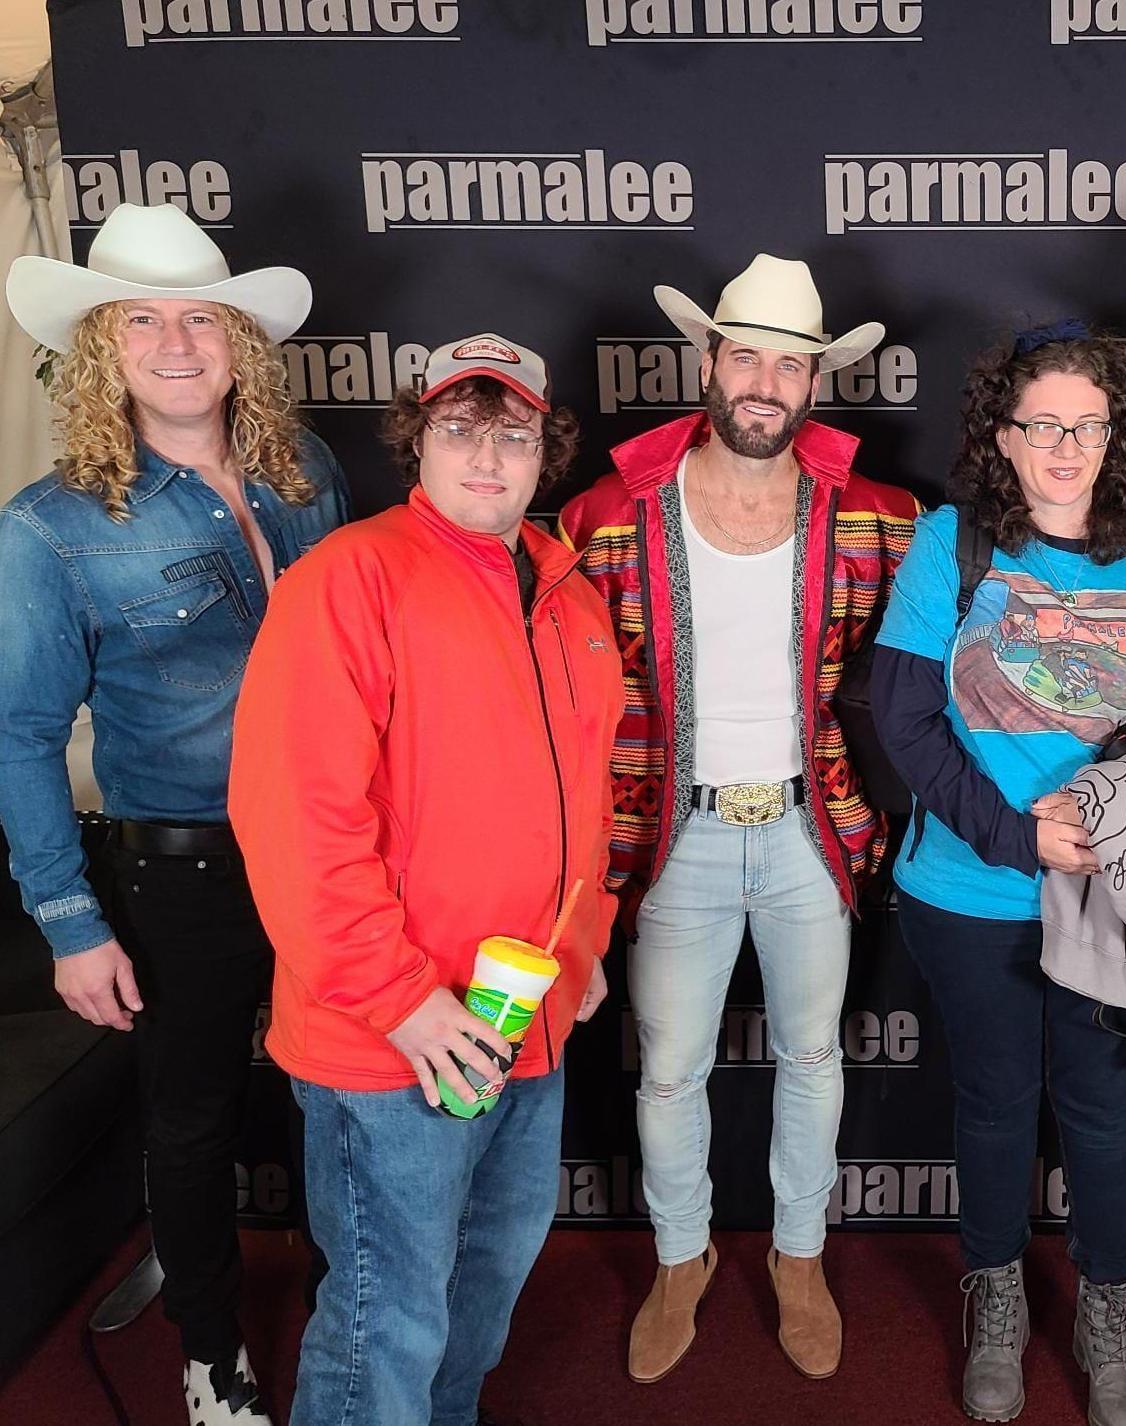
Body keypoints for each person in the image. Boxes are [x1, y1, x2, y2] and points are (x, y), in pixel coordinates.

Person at [229, 333, 623, 1426]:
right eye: (459, 428)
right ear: (417, 441)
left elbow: (590, 795)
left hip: (523, 1017)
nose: (486, 457)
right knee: (386, 1322)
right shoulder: (348, 577)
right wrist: (400, 999)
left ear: (546, 450)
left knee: (482, 1292)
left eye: (513, 434)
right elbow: (296, 817)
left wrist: (585, 941)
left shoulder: (570, 592)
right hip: (392, 1039)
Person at [0, 203, 347, 1426]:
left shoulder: (310, 474)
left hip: (327, 856)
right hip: (181, 872)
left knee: (339, 1102)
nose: (176, 342)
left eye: (201, 317)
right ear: (104, 349)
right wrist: (68, 921)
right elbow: (21, 735)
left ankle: (350, 1325)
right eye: (141, 320)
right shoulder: (50, 527)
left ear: (239, 341)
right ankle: (211, 1356)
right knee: (191, 1120)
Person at [871, 322, 1126, 1426]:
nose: (1066, 448)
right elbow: (903, 715)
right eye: (1043, 425)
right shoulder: (952, 547)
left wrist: (1112, 802)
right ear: (1004, 435)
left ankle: (1105, 1312)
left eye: (1088, 426)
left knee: (1103, 1108)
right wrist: (1014, 835)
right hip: (971, 891)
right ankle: (994, 1300)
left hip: (1111, 895)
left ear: (1114, 436)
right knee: (994, 1103)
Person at [559, 254, 919, 1383]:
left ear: (816, 382)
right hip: (675, 835)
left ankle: (799, 1254)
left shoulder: (877, 517)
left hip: (813, 828)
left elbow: (955, 647)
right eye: (747, 356)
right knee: (669, 1069)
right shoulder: (609, 515)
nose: (766, 381)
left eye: (791, 364)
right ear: (709, 363)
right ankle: (683, 1255)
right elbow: (552, 684)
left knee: (813, 1053)